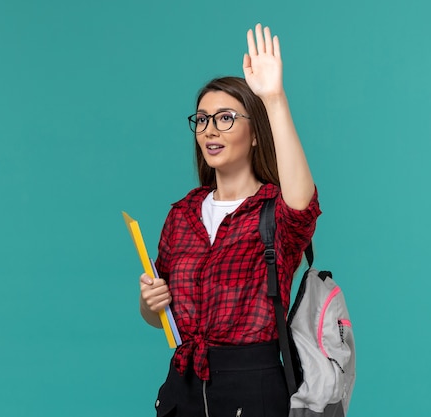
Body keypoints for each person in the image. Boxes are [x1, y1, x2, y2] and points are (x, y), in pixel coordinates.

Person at [139, 23, 321, 417]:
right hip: (182, 390)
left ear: (254, 133)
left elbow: (304, 203)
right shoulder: (181, 216)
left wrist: (273, 99)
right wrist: (149, 303)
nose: (209, 130)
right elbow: (162, 319)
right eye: (202, 120)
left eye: (225, 118)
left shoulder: (274, 211)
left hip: (252, 387)